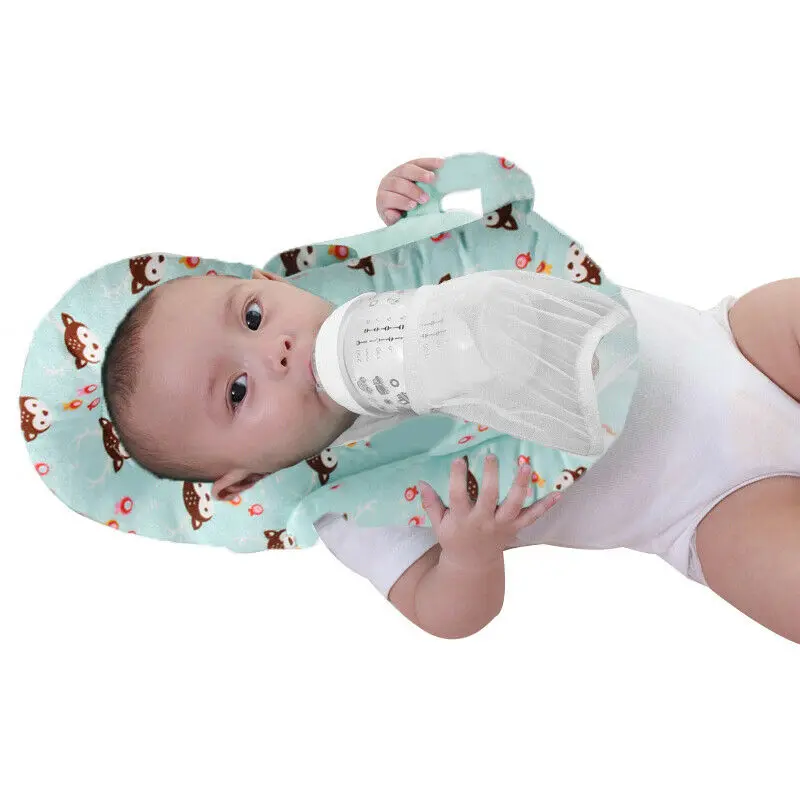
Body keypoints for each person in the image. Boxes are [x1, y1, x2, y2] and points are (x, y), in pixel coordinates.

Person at [101, 158, 800, 644]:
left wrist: (416, 212)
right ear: (244, 480)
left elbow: (482, 226)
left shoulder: (386, 281)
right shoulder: (354, 505)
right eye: (237, 392)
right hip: (703, 507)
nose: (274, 350)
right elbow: (441, 613)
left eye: (253, 316)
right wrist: (468, 557)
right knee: (769, 569)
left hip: (735, 346)